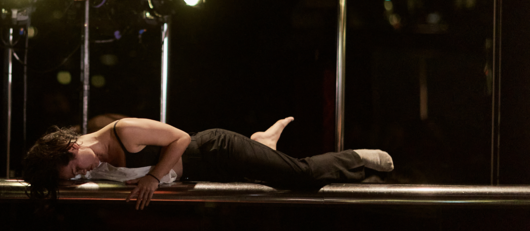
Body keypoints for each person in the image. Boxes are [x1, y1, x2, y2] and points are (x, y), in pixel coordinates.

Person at [22, 117, 393, 210]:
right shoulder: (86, 159)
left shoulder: (122, 131)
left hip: (216, 150)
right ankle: (261, 144)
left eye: (76, 169)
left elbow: (181, 137)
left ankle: (356, 157)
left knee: (303, 176)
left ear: (71, 146)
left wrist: (152, 176)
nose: (83, 174)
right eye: (76, 178)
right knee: (281, 174)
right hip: (211, 171)